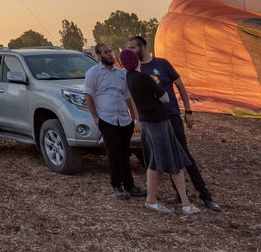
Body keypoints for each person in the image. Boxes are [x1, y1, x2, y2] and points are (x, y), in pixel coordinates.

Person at [128, 35, 222, 212]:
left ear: (143, 47)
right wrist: (137, 118)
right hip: (154, 120)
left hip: (171, 115)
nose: (130, 52)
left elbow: (180, 85)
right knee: (164, 157)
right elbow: (132, 97)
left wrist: (188, 110)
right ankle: (179, 195)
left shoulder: (162, 64)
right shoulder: (135, 71)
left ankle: (205, 195)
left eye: (132, 48)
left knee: (184, 156)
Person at [121, 49, 200, 215]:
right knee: (169, 161)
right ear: (136, 61)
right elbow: (165, 98)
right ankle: (163, 201)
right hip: (158, 123)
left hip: (149, 122)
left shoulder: (129, 77)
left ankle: (176, 201)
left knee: (157, 162)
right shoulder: (143, 78)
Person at [83, 43, 144, 199]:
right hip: (106, 118)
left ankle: (130, 185)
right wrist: (95, 117)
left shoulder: (121, 73)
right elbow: (88, 96)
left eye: (110, 51)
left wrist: (134, 117)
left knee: (125, 152)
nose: (110, 54)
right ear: (98, 56)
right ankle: (116, 185)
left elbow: (127, 96)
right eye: (105, 52)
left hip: (124, 120)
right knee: (114, 151)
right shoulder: (93, 73)